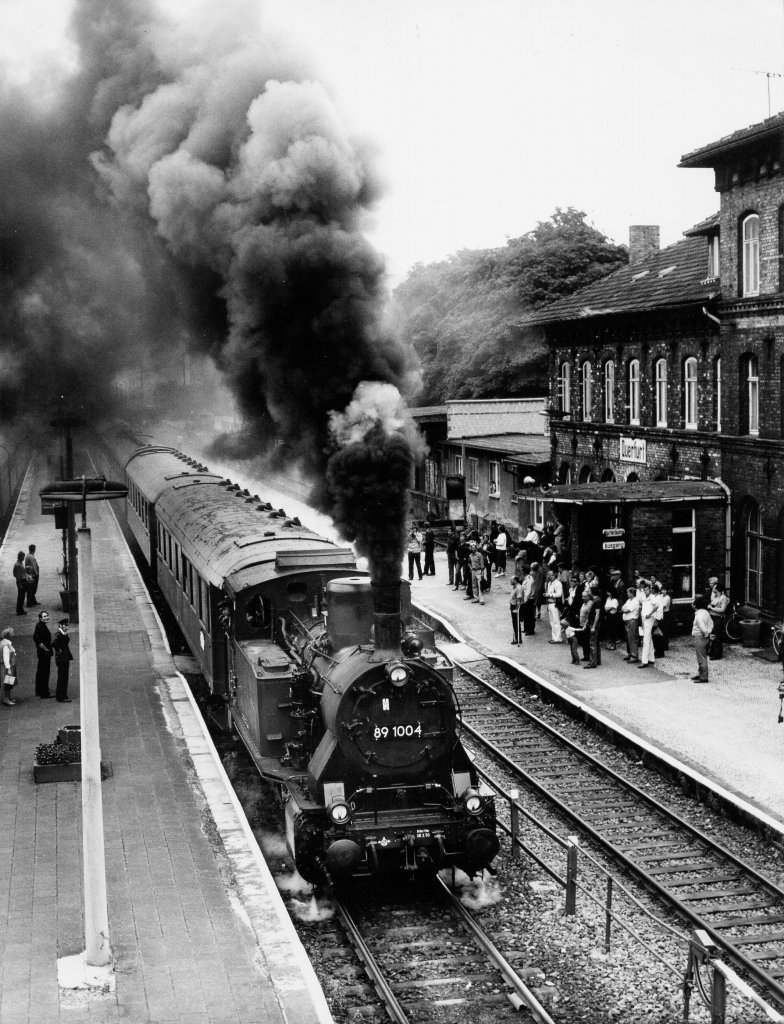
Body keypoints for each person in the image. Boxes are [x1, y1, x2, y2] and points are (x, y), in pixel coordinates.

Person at [691, 596, 714, 684]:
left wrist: (706, 633)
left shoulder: (698, 615)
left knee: (701, 658)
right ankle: (701, 674)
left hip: (700, 637)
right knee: (703, 656)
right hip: (705, 637)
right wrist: (709, 632)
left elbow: (702, 627)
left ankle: (703, 677)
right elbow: (711, 623)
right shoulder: (706, 612)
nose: (692, 605)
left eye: (693, 603)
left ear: (695, 605)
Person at [51, 618, 73, 703]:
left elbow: (67, 641)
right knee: (62, 678)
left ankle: (61, 695)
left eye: (67, 625)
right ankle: (61, 696)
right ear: (61, 625)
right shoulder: (59, 634)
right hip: (62, 659)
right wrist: (58, 650)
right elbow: (53, 643)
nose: (67, 627)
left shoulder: (62, 634)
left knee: (63, 677)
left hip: (63, 658)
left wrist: (65, 634)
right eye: (66, 625)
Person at [32, 611, 53, 698]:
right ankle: (44, 693)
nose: (47, 617)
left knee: (40, 671)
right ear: (41, 618)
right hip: (44, 653)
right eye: (44, 616)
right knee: (45, 672)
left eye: (47, 615)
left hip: (42, 653)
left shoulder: (40, 625)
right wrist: (46, 649)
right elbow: (37, 640)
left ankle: (39, 691)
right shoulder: (41, 627)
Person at [584, 584, 604, 668]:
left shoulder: (597, 601)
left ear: (592, 592)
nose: (588, 592)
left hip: (594, 623)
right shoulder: (595, 600)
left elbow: (597, 614)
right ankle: (597, 659)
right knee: (596, 642)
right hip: (592, 623)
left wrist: (593, 626)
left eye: (589, 591)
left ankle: (592, 662)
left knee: (593, 643)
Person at [708, 582, 729, 660]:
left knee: (717, 635)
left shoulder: (723, 597)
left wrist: (712, 608)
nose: (713, 589)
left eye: (714, 588)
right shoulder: (715, 597)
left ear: (718, 589)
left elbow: (723, 609)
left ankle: (717, 654)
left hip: (718, 618)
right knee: (713, 634)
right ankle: (712, 651)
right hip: (712, 617)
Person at [638, 582, 657, 668]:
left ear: (650, 589)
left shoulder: (652, 597)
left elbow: (656, 606)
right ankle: (652, 658)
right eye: (644, 589)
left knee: (646, 639)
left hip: (649, 619)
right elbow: (642, 607)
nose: (645, 591)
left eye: (647, 589)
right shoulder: (643, 597)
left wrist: (649, 614)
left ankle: (644, 661)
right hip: (644, 619)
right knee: (649, 638)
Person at [621, 586, 641, 662]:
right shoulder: (629, 600)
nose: (627, 593)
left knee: (632, 639)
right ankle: (630, 654)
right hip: (627, 621)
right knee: (628, 639)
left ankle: (634, 656)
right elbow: (623, 607)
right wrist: (624, 609)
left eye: (628, 592)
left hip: (632, 621)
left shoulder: (635, 601)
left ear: (632, 593)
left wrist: (624, 610)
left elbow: (627, 610)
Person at [544, 569, 564, 643]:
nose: (551, 576)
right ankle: (554, 637)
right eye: (549, 575)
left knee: (556, 621)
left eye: (552, 575)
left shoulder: (557, 583)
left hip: (555, 604)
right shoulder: (549, 583)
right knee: (552, 621)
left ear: (555, 575)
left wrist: (550, 595)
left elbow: (559, 594)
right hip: (550, 603)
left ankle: (558, 638)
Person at [0, 627, 18, 706]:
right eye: (12, 633)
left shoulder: (5, 642)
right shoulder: (5, 645)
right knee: (8, 682)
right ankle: (6, 698)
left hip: (10, 666)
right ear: (8, 635)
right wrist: (9, 669)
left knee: (9, 682)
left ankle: (8, 697)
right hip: (9, 667)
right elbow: (6, 657)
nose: (13, 635)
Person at [12, 551, 29, 616]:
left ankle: (20, 610)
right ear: (20, 557)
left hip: (22, 581)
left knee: (21, 597)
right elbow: (18, 576)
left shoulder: (19, 563)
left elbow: (14, 574)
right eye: (23, 557)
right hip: (21, 581)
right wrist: (19, 584)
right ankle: (20, 610)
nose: (23, 558)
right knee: (21, 597)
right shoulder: (18, 565)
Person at [509, 576, 524, 644]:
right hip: (513, 605)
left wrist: (517, 609)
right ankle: (516, 637)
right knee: (514, 622)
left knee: (516, 622)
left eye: (511, 580)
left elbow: (518, 599)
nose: (510, 581)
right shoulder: (514, 587)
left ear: (515, 580)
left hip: (516, 606)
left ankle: (518, 639)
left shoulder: (518, 588)